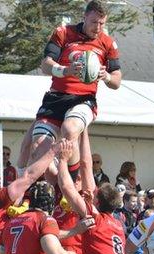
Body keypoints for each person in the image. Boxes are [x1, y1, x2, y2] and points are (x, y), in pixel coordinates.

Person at [20, 0, 121, 183]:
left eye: (102, 23)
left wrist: (106, 76)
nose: (97, 28)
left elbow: (117, 81)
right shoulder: (63, 32)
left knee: (69, 128)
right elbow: (45, 65)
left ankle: (72, 182)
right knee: (39, 148)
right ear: (84, 17)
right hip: (55, 98)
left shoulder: (107, 43)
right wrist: (65, 70)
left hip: (83, 100)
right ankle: (57, 192)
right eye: (93, 22)